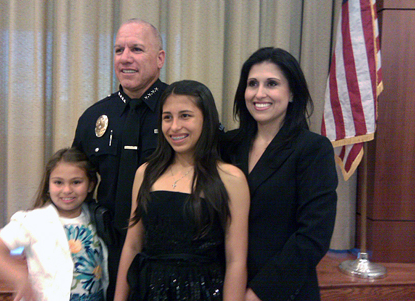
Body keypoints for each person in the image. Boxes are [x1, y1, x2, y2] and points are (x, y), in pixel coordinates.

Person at [114, 80, 250, 301]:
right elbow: (132, 245)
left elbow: (236, 260)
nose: (174, 126)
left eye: (185, 116)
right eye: (167, 117)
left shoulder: (231, 178)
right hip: (149, 290)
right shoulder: (145, 173)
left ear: (206, 120)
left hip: (203, 291)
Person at [221, 47, 338, 301]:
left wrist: (258, 294)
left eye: (272, 84)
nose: (259, 93)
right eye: (252, 84)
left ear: (292, 92)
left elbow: (312, 237)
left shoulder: (313, 149)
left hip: (283, 291)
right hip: (226, 287)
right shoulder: (227, 146)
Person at [72, 18, 167, 299]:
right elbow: (74, 184)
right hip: (107, 253)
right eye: (118, 50)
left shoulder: (180, 112)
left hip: (164, 254)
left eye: (136, 49)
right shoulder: (94, 117)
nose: (125, 58)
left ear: (159, 58)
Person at [0, 147, 109, 301]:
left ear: (90, 185)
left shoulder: (97, 218)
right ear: (48, 184)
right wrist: (19, 278)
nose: (67, 190)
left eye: (76, 182)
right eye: (58, 182)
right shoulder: (34, 220)